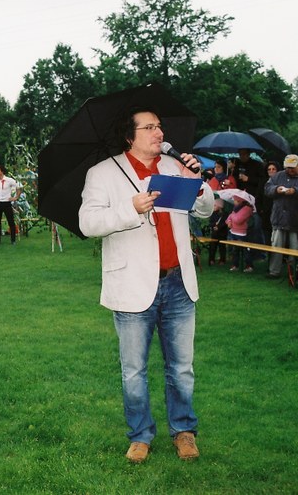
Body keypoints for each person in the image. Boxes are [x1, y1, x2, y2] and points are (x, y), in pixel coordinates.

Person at [78, 106, 213, 463]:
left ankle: (184, 431)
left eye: (159, 126)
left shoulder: (173, 166)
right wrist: (131, 208)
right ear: (129, 135)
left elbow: (205, 210)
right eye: (149, 127)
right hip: (132, 285)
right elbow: (88, 223)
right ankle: (140, 435)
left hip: (178, 282)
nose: (159, 133)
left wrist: (196, 182)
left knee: (181, 368)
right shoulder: (102, 173)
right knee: (134, 371)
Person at [264, 154, 298, 279]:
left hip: (295, 219)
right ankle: (274, 271)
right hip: (278, 217)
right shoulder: (278, 176)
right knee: (276, 246)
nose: (290, 170)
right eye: (288, 167)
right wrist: (276, 189)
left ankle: (293, 273)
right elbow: (267, 188)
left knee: (295, 249)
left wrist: (295, 191)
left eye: (292, 167)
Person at [0, 165, 20, 244]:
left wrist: (15, 197)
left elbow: (18, 187)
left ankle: (13, 240)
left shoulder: (9, 180)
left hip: (6, 203)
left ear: (2, 171)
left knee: (11, 221)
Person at [226, 193, 255, 272]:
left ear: (239, 201)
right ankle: (235, 265)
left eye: (235, 200)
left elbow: (238, 220)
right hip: (233, 232)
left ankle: (249, 266)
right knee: (235, 250)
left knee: (246, 251)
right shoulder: (236, 208)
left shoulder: (247, 209)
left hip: (242, 233)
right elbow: (229, 217)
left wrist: (231, 218)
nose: (234, 202)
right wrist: (229, 221)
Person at [207, 199, 228, 265]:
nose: (213, 207)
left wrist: (218, 227)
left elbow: (225, 223)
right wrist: (214, 225)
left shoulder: (225, 214)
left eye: (215, 205)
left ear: (220, 206)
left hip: (222, 234)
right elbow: (210, 223)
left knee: (222, 247)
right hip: (214, 234)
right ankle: (211, 259)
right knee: (212, 247)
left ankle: (222, 260)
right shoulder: (213, 213)